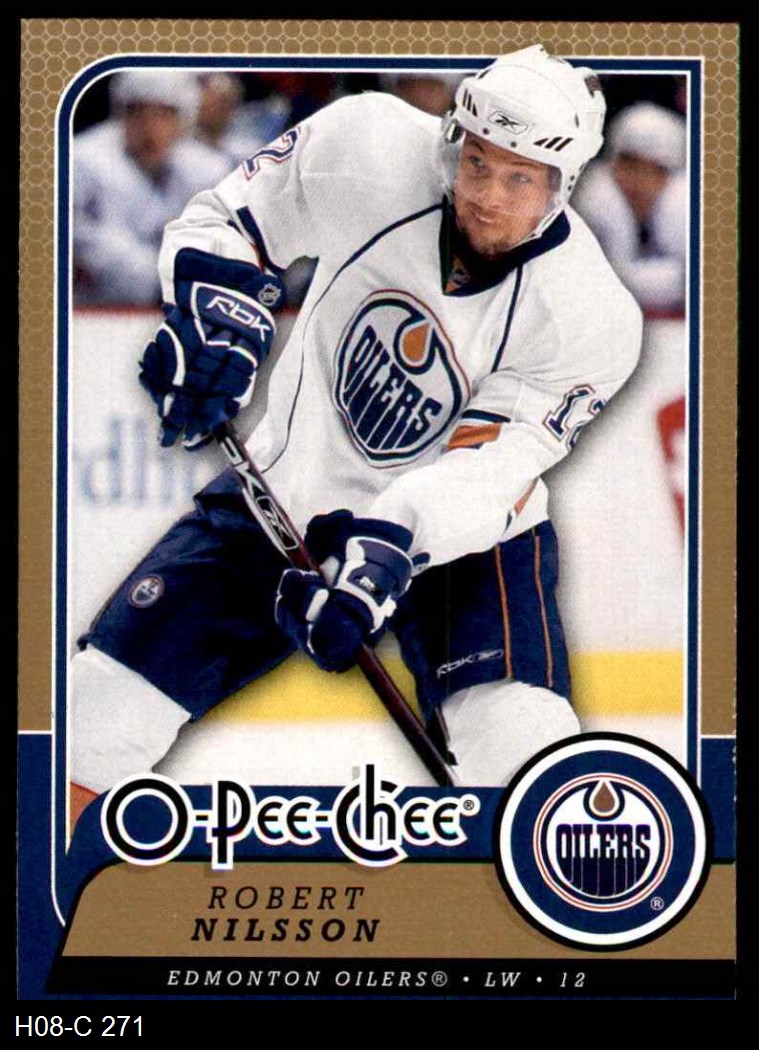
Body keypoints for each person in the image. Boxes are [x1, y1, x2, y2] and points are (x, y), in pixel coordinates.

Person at [69, 46, 642, 820]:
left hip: (469, 547)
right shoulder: (368, 144)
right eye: (477, 163)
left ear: (563, 184)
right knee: (88, 728)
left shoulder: (589, 316)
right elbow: (230, 221)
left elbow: (485, 469)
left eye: (519, 179)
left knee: (524, 761)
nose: (485, 196)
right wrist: (216, 318)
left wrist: (377, 558)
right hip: (284, 497)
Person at [73, 70, 231, 305]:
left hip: (177, 308)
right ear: (120, 115)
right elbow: (83, 245)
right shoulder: (82, 160)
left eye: (164, 114)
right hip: (93, 312)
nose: (150, 127)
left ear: (184, 119)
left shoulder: (208, 168)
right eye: (137, 112)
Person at [571, 101, 687, 312]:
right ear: (612, 163)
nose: (639, 182)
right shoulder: (594, 200)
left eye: (655, 170)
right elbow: (609, 284)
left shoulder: (681, 202)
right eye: (629, 164)